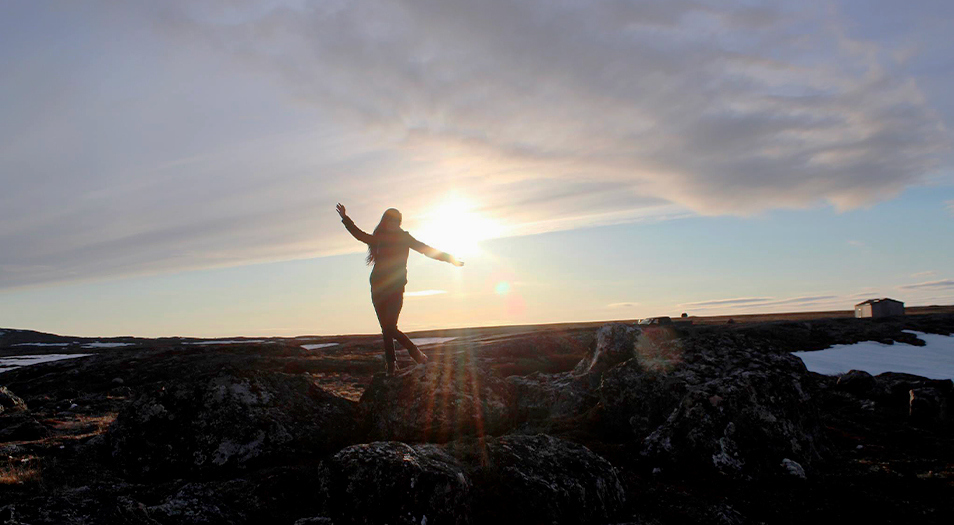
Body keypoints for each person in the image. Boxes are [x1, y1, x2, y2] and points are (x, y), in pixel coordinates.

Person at [336, 203, 464, 375]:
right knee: (386, 328)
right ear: (385, 222)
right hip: (378, 287)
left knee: (390, 327)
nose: (392, 224)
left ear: (399, 223)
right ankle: (391, 365)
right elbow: (359, 235)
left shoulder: (405, 238)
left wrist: (450, 259)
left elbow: (426, 250)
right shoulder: (380, 238)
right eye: (389, 221)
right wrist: (345, 218)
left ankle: (414, 354)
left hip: (396, 287)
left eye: (396, 221)